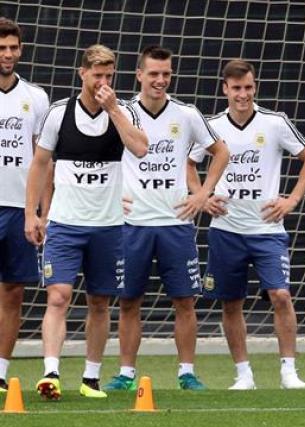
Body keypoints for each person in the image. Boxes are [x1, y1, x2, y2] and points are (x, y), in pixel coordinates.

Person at [102, 45, 229, 392]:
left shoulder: (186, 115)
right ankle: (126, 373)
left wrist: (202, 193)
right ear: (139, 75)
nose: (160, 80)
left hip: (176, 223)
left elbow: (221, 152)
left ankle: (187, 372)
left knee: (185, 301)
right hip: (132, 225)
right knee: (128, 300)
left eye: (166, 74)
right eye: (153, 74)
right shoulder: (121, 112)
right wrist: (111, 195)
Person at [24, 44, 149, 400]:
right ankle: (50, 372)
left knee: (100, 301)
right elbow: (40, 163)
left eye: (109, 75)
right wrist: (31, 213)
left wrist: (113, 110)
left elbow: (141, 148)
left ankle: (91, 378)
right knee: (59, 296)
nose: (102, 82)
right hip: (65, 224)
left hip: (108, 226)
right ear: (82, 74)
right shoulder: (58, 113)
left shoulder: (122, 111)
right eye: (97, 75)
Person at [193, 59, 305, 390]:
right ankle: (243, 374)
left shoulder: (275, 123)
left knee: (280, 294)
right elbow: (187, 163)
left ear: (254, 86)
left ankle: (289, 371)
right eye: (236, 88)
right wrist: (202, 196)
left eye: (248, 87)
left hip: (267, 229)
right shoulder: (211, 125)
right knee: (231, 302)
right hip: (226, 229)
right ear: (225, 89)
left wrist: (291, 200)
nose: (243, 94)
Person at [0, 18, 50, 394]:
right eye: (2, 48)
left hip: (19, 208)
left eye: (13, 47)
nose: (8, 54)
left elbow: (42, 159)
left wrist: (42, 212)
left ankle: (0, 372)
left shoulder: (36, 97)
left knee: (13, 291)